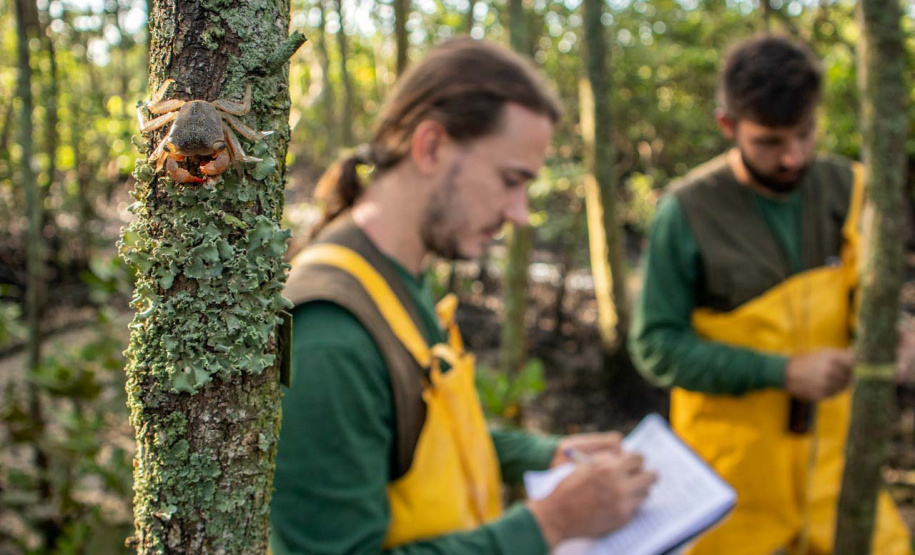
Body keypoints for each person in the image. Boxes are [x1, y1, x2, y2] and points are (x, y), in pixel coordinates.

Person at [270, 38, 656, 554]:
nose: (520, 214)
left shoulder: (397, 277)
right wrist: (548, 525)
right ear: (430, 146)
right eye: (510, 180)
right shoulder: (330, 334)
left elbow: (420, 440)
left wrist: (545, 455)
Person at [630, 34, 912, 555]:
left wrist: (897, 338)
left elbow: (870, 300)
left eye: (805, 135)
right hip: (730, 479)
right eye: (770, 142)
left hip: (836, 469)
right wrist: (780, 372)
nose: (792, 157)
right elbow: (655, 346)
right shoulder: (687, 212)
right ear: (727, 126)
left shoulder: (850, 188)